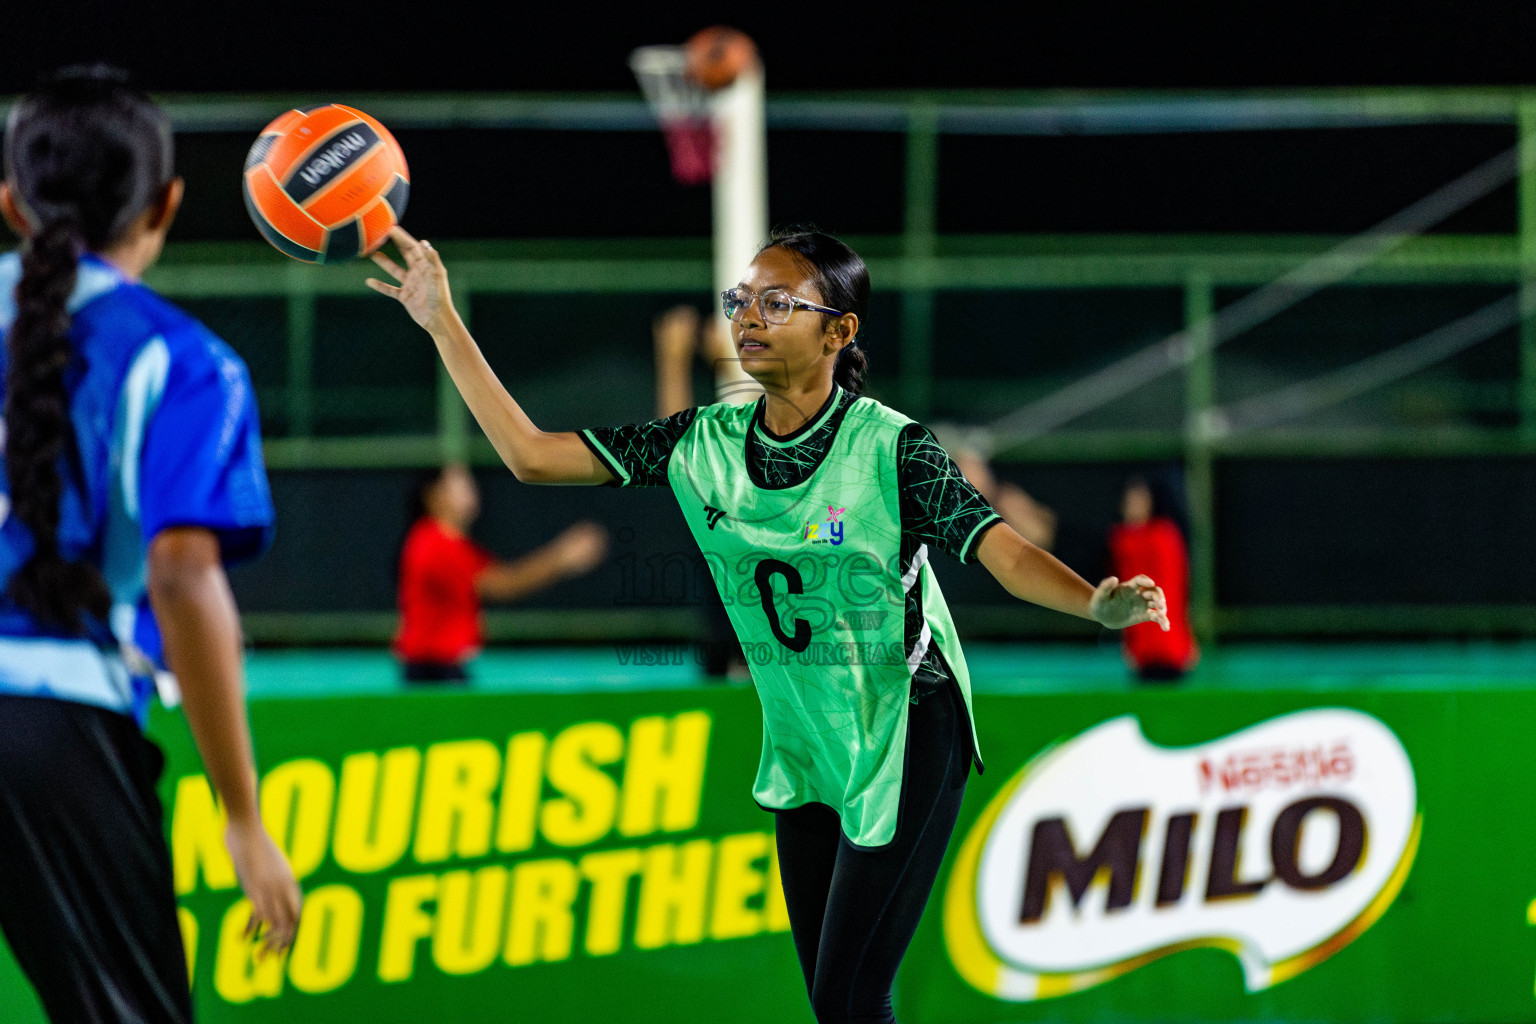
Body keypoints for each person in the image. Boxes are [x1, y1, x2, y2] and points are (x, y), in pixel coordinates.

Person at [367, 223, 1167, 1024]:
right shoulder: (701, 442)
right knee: (835, 1005)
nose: (747, 316)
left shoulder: (893, 450)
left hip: (906, 723)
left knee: (851, 998)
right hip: (802, 735)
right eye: (740, 300)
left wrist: (1094, 602)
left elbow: (1003, 550)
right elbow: (531, 455)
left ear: (839, 331)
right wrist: (442, 320)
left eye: (776, 302)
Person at [0, 67, 301, 1022]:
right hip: (53, 728)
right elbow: (181, 572)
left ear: (9, 202)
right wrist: (243, 816)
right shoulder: (182, 359)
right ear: (167, 204)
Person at [395, 463, 608, 681]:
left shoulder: (453, 544)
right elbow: (503, 585)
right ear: (434, 495)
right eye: (459, 485)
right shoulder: (433, 543)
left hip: (440, 665)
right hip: (432, 668)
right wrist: (561, 558)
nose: (471, 490)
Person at [1108, 473, 1199, 681]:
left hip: (1171, 649)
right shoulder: (1127, 539)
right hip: (1143, 652)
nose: (1132, 505)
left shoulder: (1162, 537)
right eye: (1129, 500)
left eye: (1139, 499)